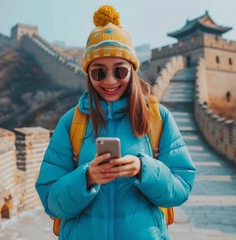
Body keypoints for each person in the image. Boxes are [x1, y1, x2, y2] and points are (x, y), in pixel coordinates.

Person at [35, 5, 196, 240]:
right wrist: (87, 177)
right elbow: (51, 202)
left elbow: (180, 188)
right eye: (99, 72)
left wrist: (144, 169)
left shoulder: (157, 117)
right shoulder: (71, 123)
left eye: (119, 71)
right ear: (88, 75)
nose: (110, 81)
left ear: (132, 71)